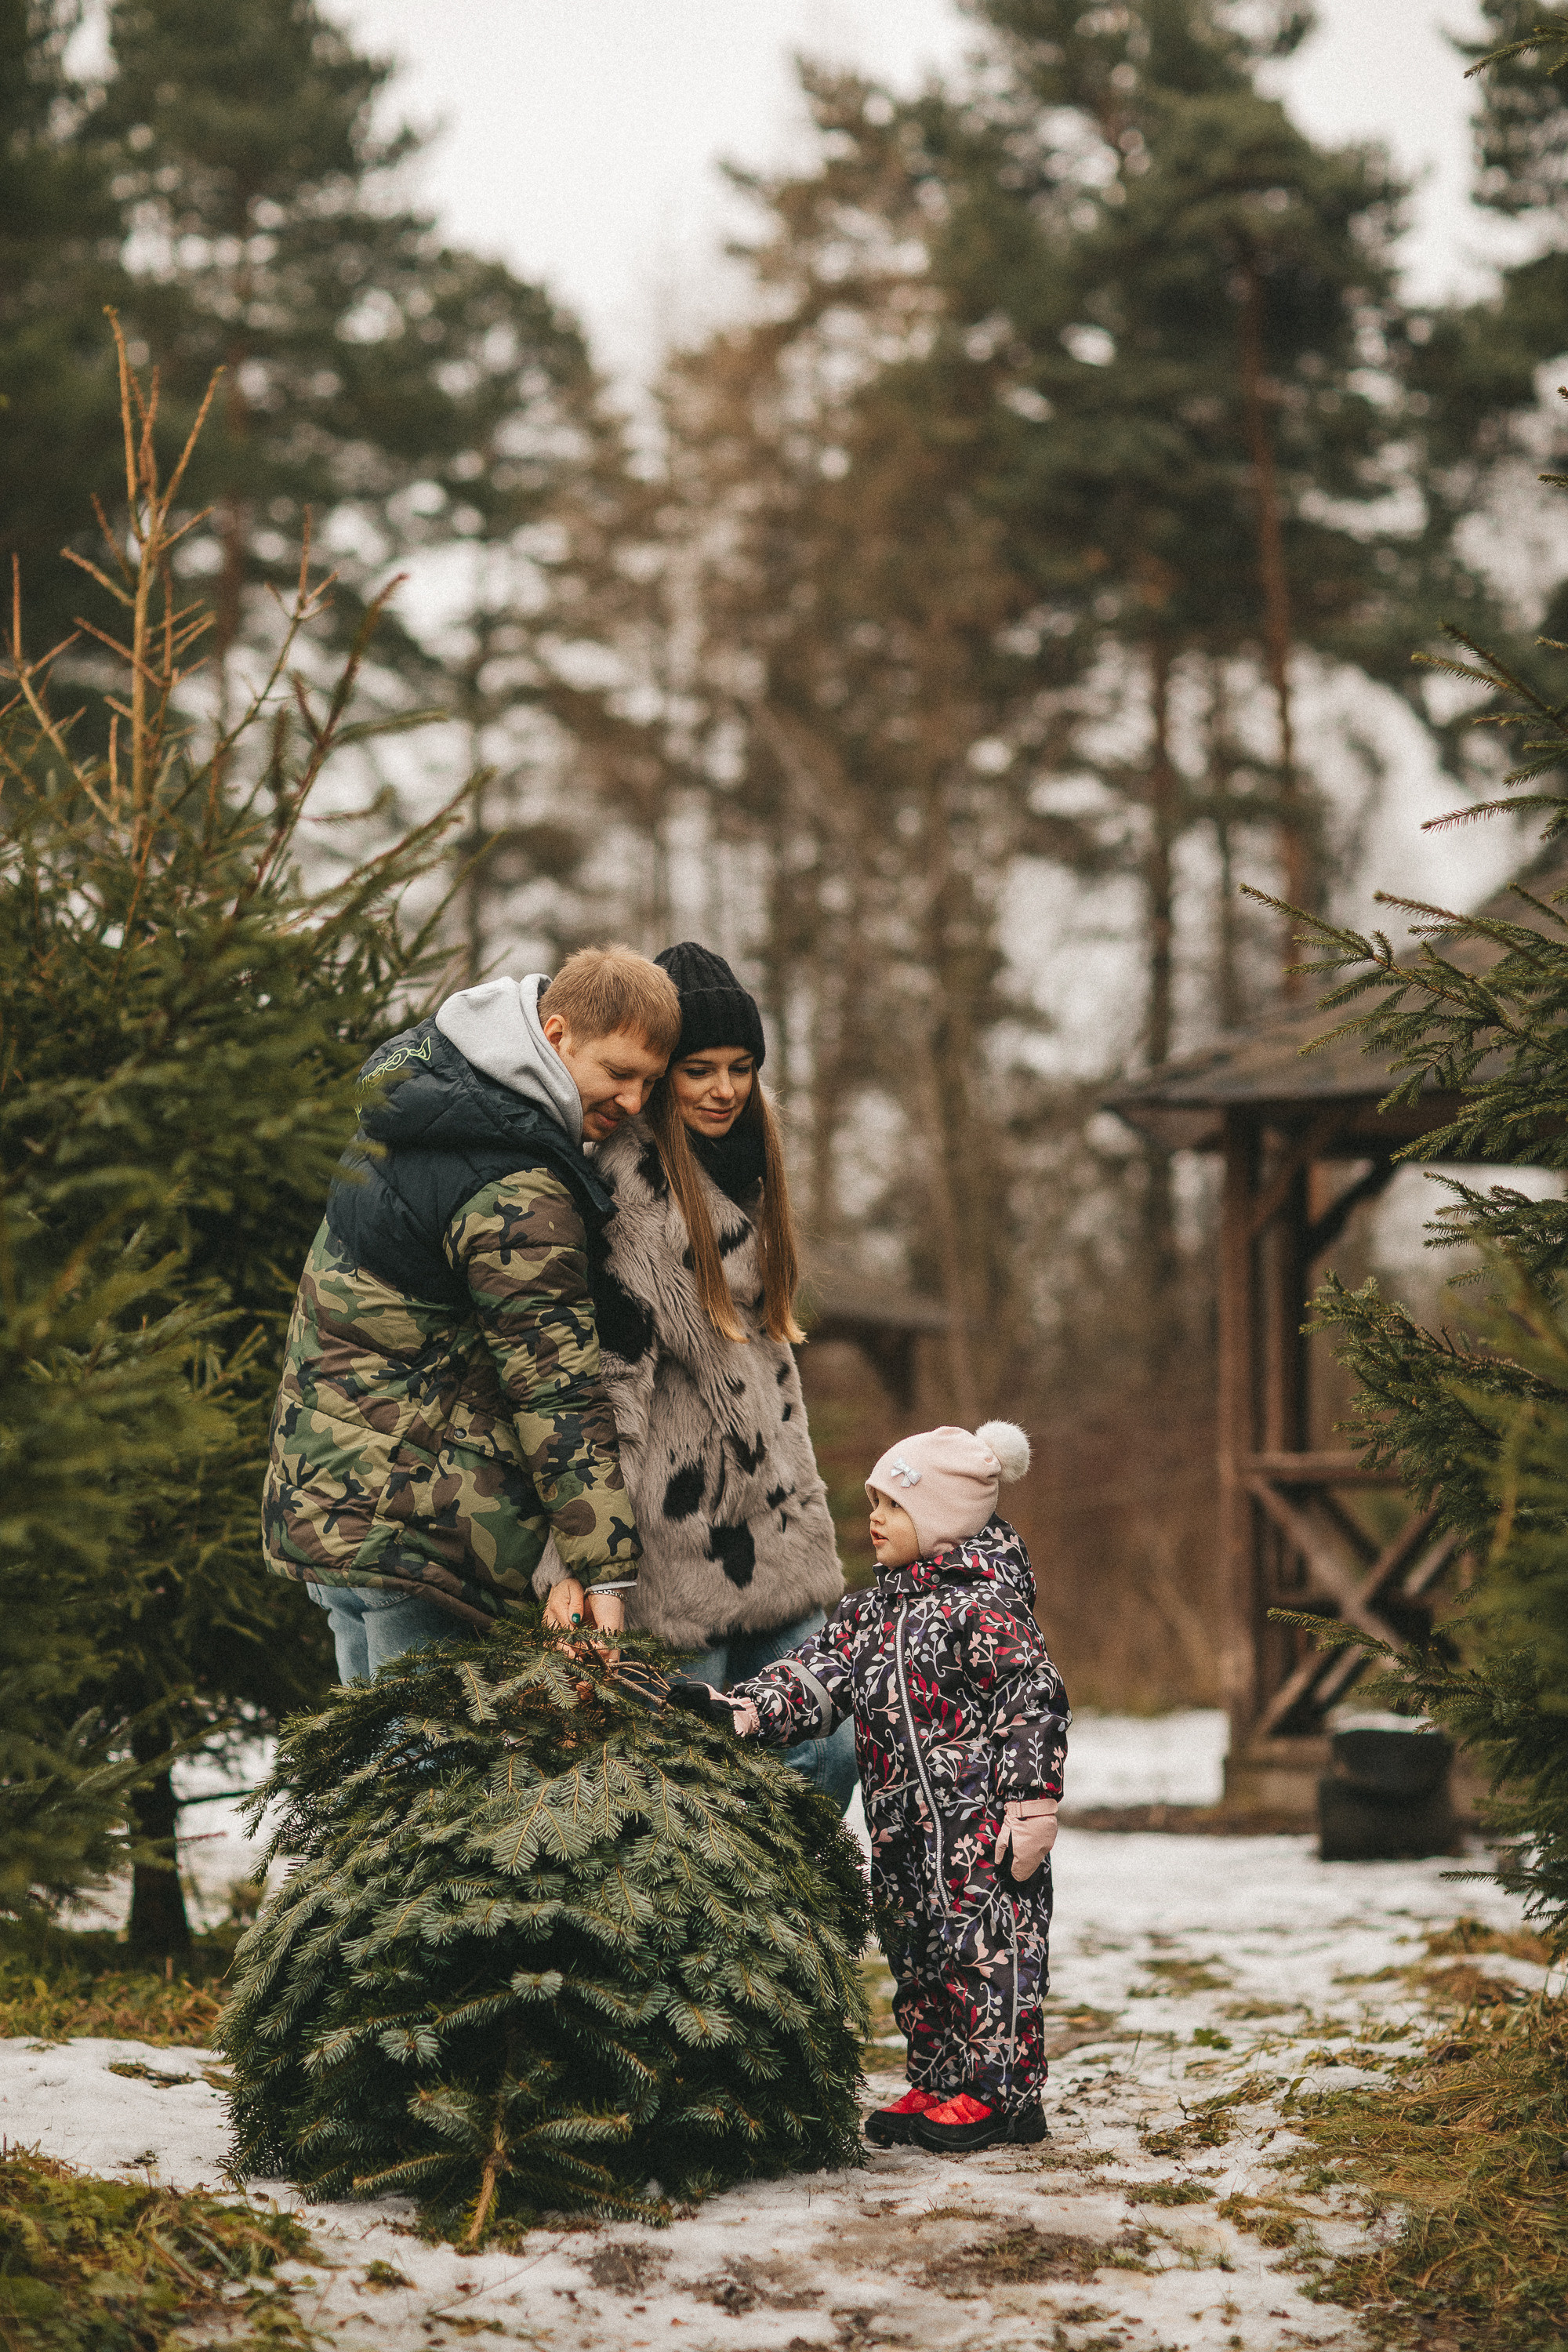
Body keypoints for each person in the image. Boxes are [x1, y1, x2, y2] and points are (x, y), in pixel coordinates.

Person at [262, 945, 682, 1683]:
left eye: (650, 1083)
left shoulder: (430, 1099)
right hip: (417, 1537)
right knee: (419, 1788)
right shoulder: (517, 1182)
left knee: (368, 1783)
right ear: (556, 1037)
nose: (634, 1103)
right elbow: (556, 1386)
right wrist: (604, 1572)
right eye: (619, 1074)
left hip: (335, 1513)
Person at [673, 1419, 1068, 2154]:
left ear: (940, 1519)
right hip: (902, 1829)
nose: (873, 1520)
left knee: (984, 1953)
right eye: (873, 1503)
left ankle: (1001, 2095)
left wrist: (1033, 1803)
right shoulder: (874, 1611)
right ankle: (939, 2073)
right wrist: (751, 1708)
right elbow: (818, 1673)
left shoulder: (985, 1607)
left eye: (891, 1505)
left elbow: (1032, 1702)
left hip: (981, 1832)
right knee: (916, 1952)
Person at [537, 941, 856, 1812]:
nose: (723, 1089)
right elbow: (605, 1400)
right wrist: (580, 1569)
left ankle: (785, 1937)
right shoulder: (625, 1204)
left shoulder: (752, 1178)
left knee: (830, 1747)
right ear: (661, 1076)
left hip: (781, 1548)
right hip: (673, 1568)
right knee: (686, 1800)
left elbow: (777, 1398)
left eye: (741, 1068)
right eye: (700, 1070)